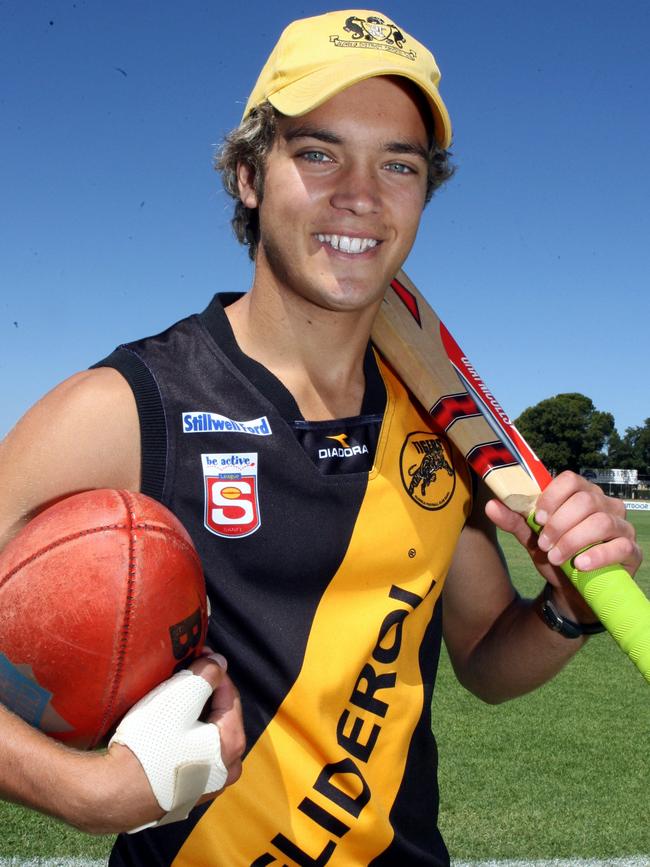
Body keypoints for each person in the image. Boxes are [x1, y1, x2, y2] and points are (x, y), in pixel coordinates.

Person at [0, 9, 642, 866]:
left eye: (399, 164)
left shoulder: (436, 426)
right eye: (317, 152)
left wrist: (563, 604)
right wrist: (82, 792)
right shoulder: (128, 408)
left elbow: (486, 655)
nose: (361, 195)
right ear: (246, 176)